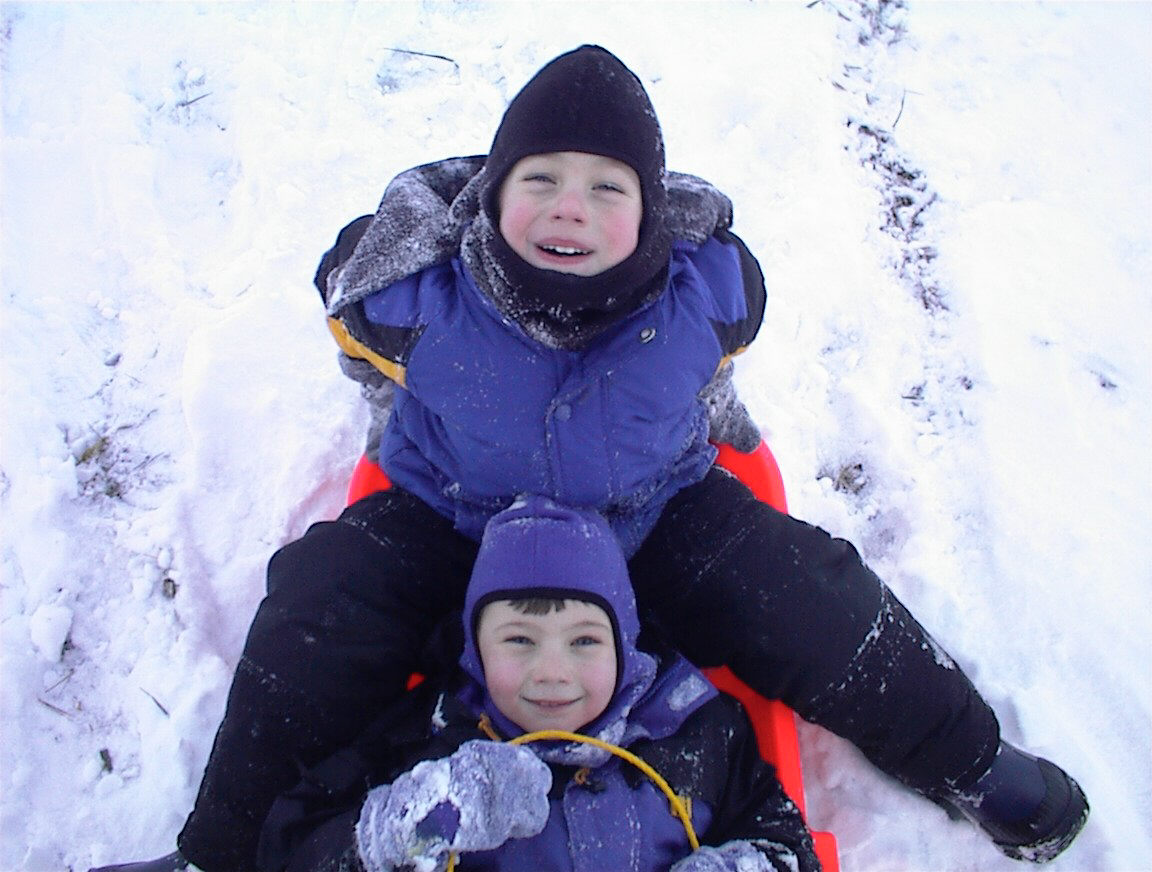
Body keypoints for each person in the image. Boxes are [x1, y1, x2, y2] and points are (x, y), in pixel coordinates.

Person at [93, 45, 1087, 872]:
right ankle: (219, 850)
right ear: (491, 199)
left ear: (649, 215)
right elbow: (355, 338)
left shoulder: (701, 299)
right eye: (540, 181)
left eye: (607, 188)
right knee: (324, 598)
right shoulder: (416, 300)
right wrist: (391, 412)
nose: (570, 206)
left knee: (803, 590)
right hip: (454, 513)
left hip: (649, 513)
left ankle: (966, 753)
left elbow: (718, 369)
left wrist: (720, 427)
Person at [256, 496, 820, 872]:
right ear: (476, 649)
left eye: (584, 641)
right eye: (520, 640)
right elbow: (290, 850)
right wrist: (405, 826)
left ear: (624, 645)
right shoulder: (431, 738)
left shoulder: (692, 732)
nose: (552, 671)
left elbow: (784, 840)